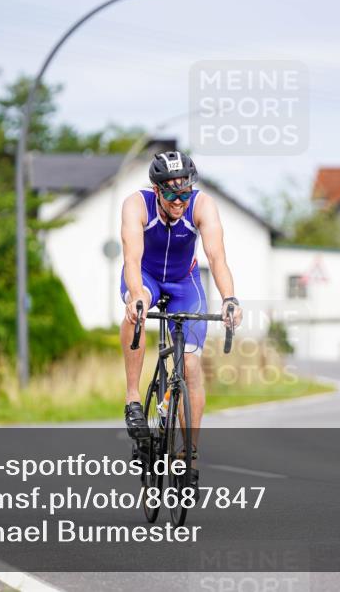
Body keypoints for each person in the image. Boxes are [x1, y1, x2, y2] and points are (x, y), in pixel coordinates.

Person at [119, 150, 243, 457]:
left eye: (184, 191)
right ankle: (134, 397)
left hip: (184, 282)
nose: (179, 200)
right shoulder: (137, 204)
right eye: (172, 192)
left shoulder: (202, 205)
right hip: (145, 277)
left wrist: (229, 298)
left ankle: (188, 454)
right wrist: (137, 295)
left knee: (190, 365)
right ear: (157, 190)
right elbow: (132, 259)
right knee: (137, 309)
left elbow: (216, 257)